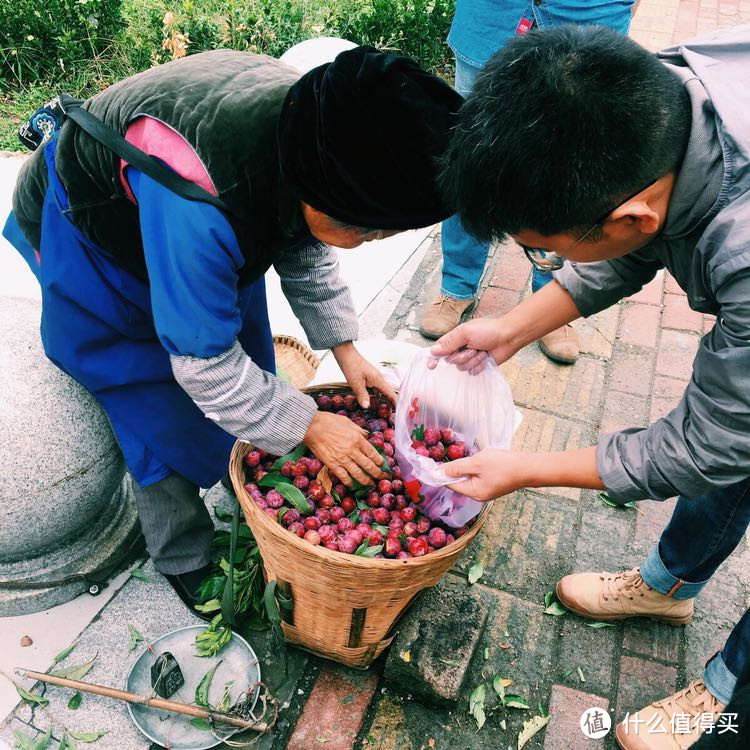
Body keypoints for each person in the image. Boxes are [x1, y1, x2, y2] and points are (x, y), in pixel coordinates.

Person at [3, 46, 462, 614]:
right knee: (150, 398)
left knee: (248, 361)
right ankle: (183, 554)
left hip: (192, 219)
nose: (368, 244)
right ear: (324, 200)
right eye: (368, 235)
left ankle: (244, 483)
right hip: (94, 239)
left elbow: (303, 242)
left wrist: (346, 347)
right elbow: (204, 366)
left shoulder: (319, 132)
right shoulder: (199, 200)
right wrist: (310, 423)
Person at [434, 25, 750, 749]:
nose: (540, 260)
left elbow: (707, 447)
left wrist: (525, 470)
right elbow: (631, 241)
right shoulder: (666, 101)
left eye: (541, 249)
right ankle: (671, 584)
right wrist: (511, 328)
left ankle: (731, 693)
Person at [419, 0, 639, 367]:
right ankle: (456, 285)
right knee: (469, 158)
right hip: (491, 17)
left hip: (588, 18)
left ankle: (553, 302)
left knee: (570, 174)